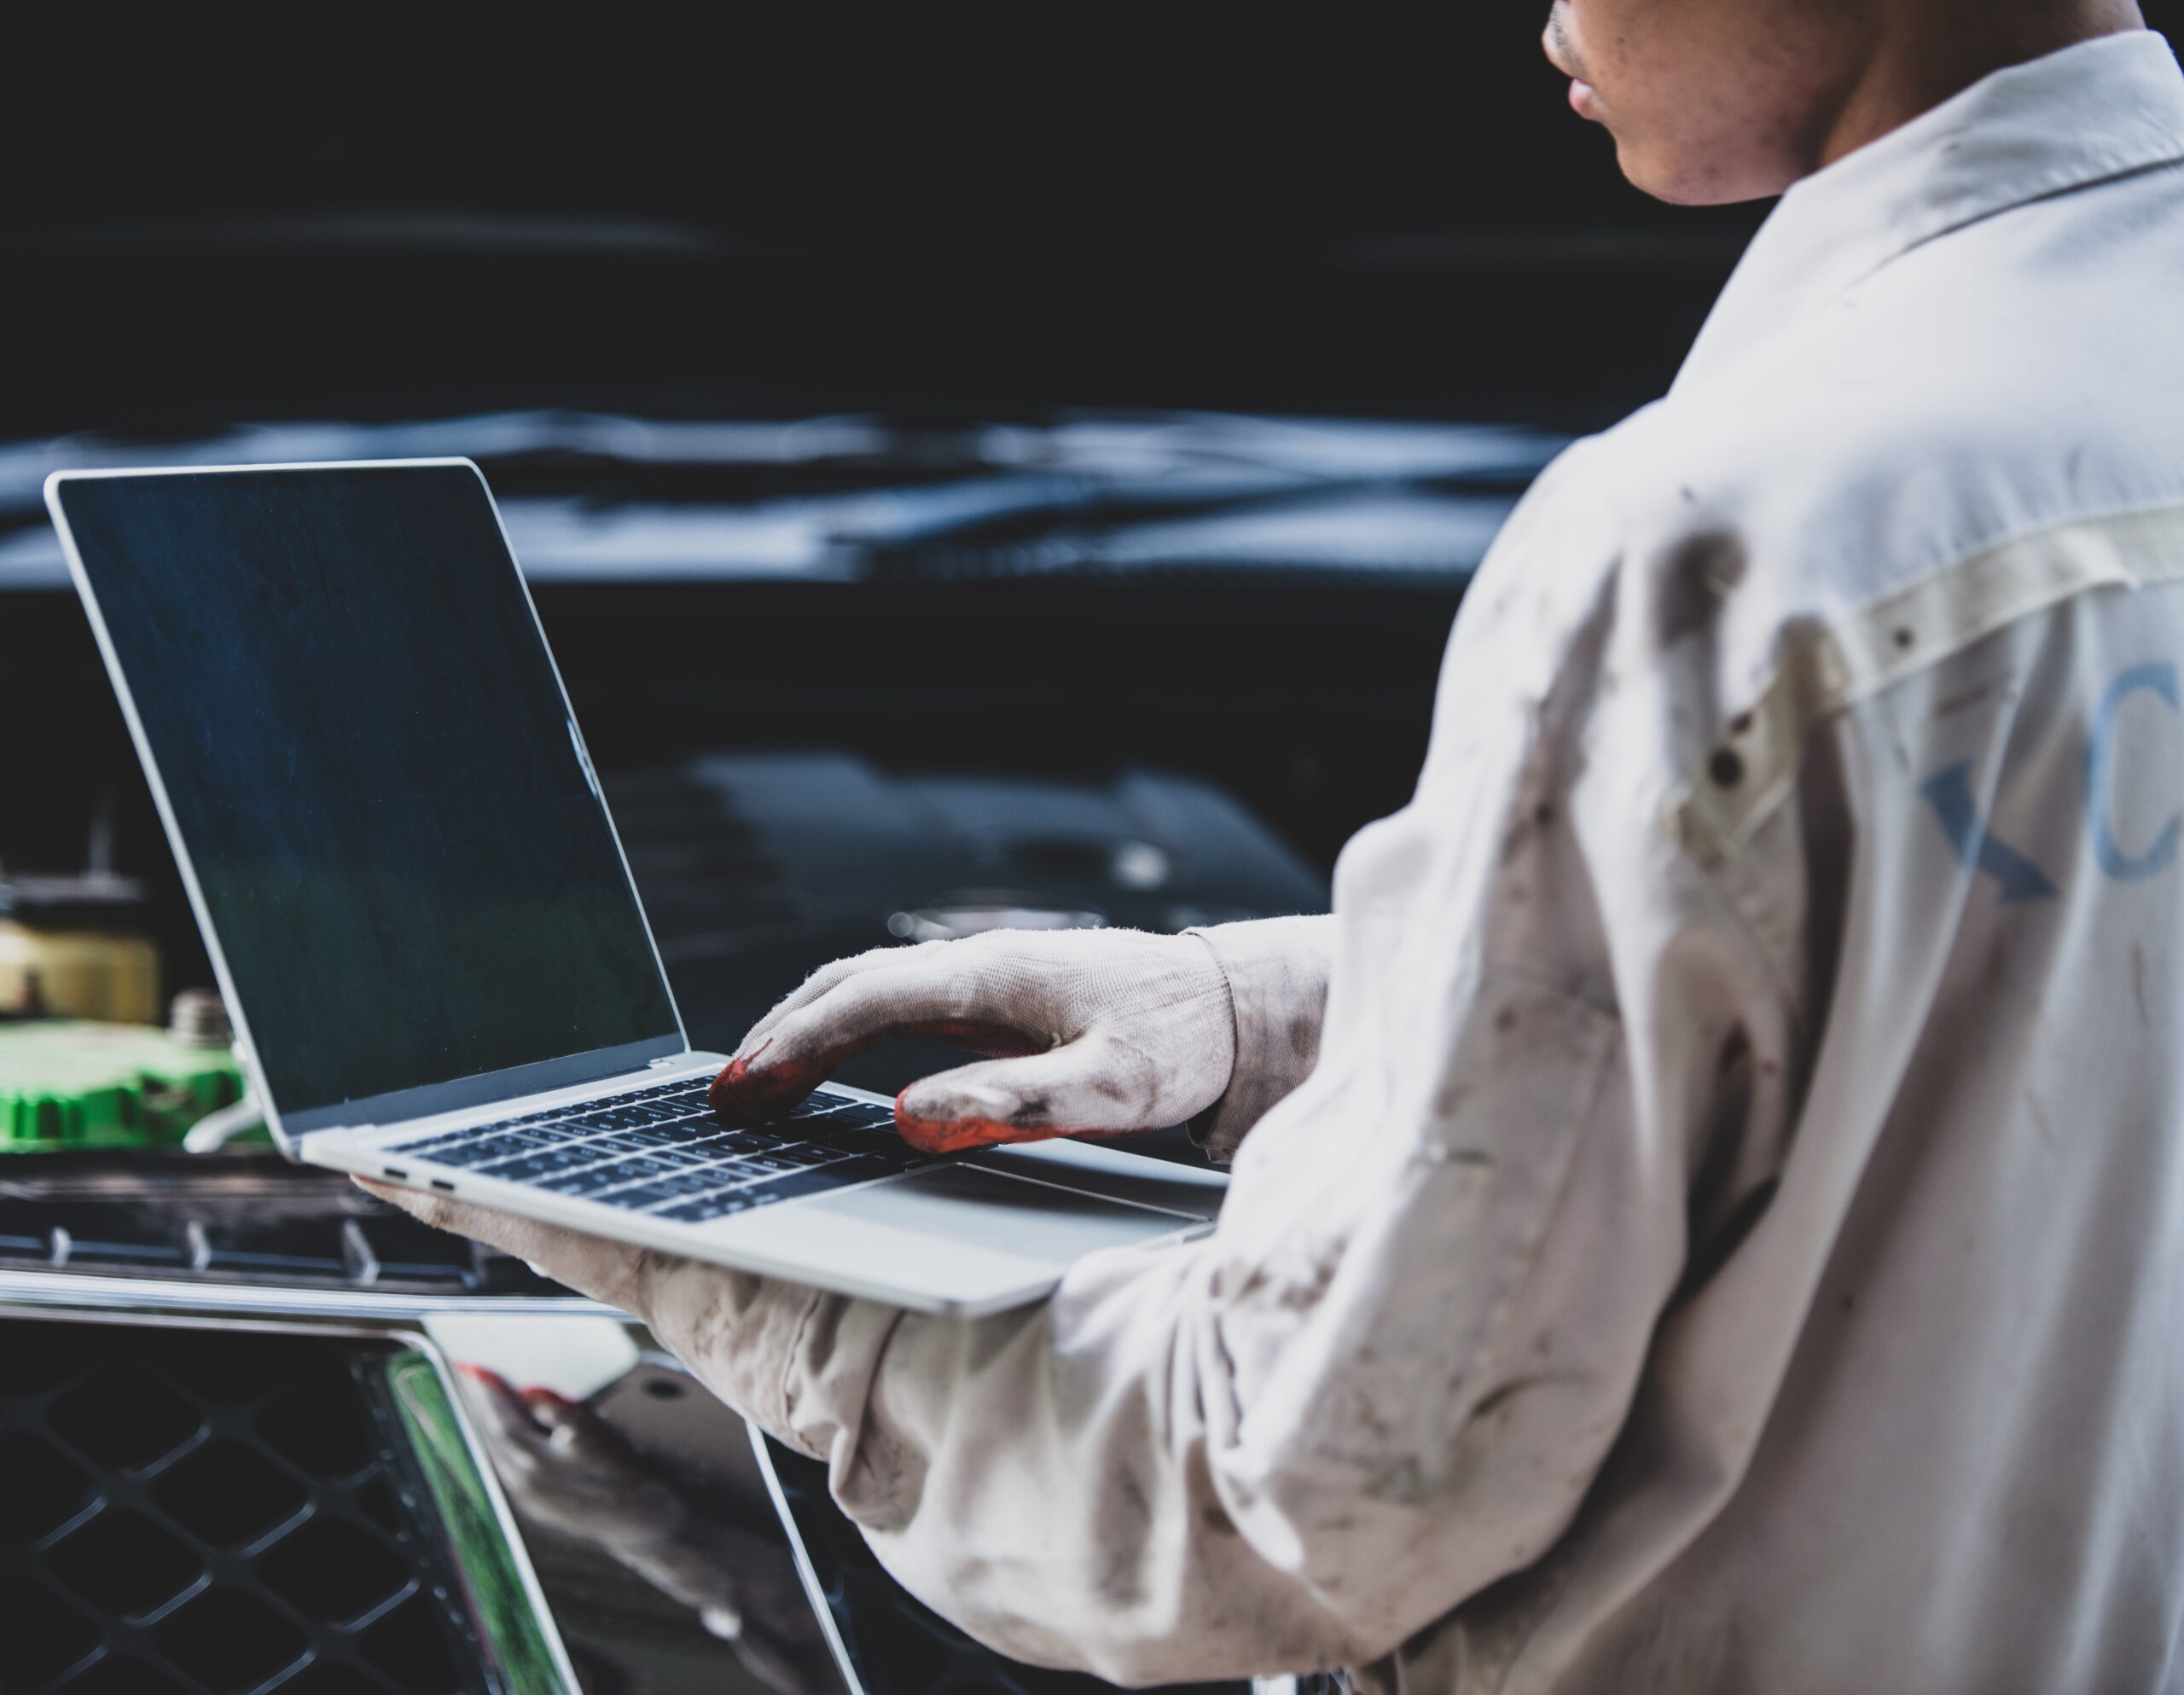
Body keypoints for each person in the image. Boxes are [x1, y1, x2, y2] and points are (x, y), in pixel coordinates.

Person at [370, 3, 2184, 1688]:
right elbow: (1997, 957)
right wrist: (1247, 1011)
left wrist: (726, 1277)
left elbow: (1299, 1491)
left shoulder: (1713, 542)